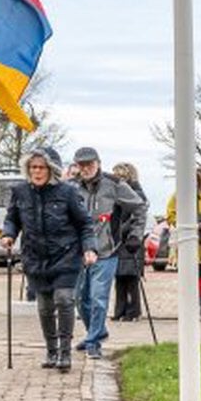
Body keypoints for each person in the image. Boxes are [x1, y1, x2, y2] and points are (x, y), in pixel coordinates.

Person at [1, 147, 99, 370]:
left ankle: (65, 352)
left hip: (65, 256)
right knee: (44, 307)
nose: (37, 171)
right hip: (35, 257)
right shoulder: (20, 192)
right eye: (33, 167)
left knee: (64, 299)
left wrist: (89, 248)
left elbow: (85, 224)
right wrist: (8, 234)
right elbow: (12, 219)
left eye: (41, 167)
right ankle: (51, 350)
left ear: (51, 169)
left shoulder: (68, 193)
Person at [69, 147, 128, 358]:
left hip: (106, 250)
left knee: (98, 297)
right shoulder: (71, 187)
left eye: (89, 164)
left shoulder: (114, 185)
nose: (85, 168)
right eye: (81, 165)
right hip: (79, 251)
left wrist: (132, 233)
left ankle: (93, 341)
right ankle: (97, 331)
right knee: (78, 297)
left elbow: (139, 206)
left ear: (98, 163)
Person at [168, 167, 201, 317]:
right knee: (186, 278)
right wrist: (184, 224)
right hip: (185, 245)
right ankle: (187, 306)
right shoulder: (176, 197)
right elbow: (170, 216)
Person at [111, 161, 148, 321]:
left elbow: (136, 217)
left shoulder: (136, 193)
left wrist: (122, 231)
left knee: (131, 278)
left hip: (131, 241)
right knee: (119, 278)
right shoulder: (119, 192)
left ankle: (133, 311)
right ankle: (120, 310)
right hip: (120, 241)